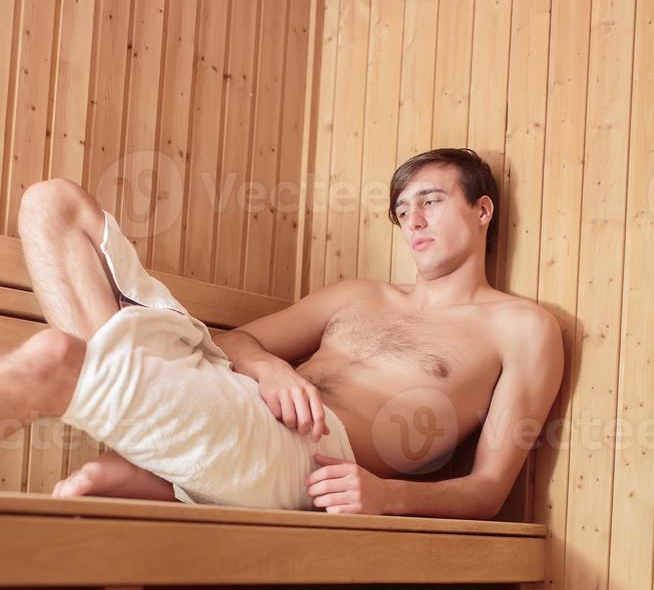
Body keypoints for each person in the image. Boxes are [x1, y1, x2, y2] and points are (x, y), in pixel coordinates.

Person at [3, 148, 563, 517]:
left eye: (430, 202)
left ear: (483, 209)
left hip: (308, 457)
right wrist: (270, 369)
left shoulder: (523, 329)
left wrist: (387, 495)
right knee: (49, 204)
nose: (412, 221)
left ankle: (117, 429)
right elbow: (230, 344)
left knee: (56, 361)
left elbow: (490, 489)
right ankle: (134, 437)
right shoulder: (358, 295)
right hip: (227, 394)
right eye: (402, 210)